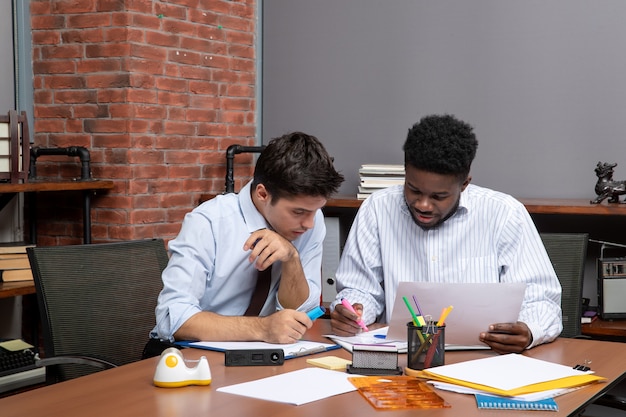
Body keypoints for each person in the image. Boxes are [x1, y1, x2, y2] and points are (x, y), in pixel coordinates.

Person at [330, 114, 562, 354]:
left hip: (484, 360)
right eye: (413, 189)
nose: (423, 205)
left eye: (438, 196)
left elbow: (541, 299)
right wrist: (354, 311)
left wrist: (529, 329)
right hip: (403, 363)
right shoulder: (377, 209)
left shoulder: (505, 214)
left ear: (464, 184)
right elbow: (360, 290)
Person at [151, 131, 344, 345]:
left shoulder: (310, 221)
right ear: (262, 194)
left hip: (264, 354)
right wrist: (263, 328)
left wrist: (291, 259)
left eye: (315, 211)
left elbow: (299, 315)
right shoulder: (209, 222)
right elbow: (174, 318)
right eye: (298, 212)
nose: (309, 224)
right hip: (192, 354)